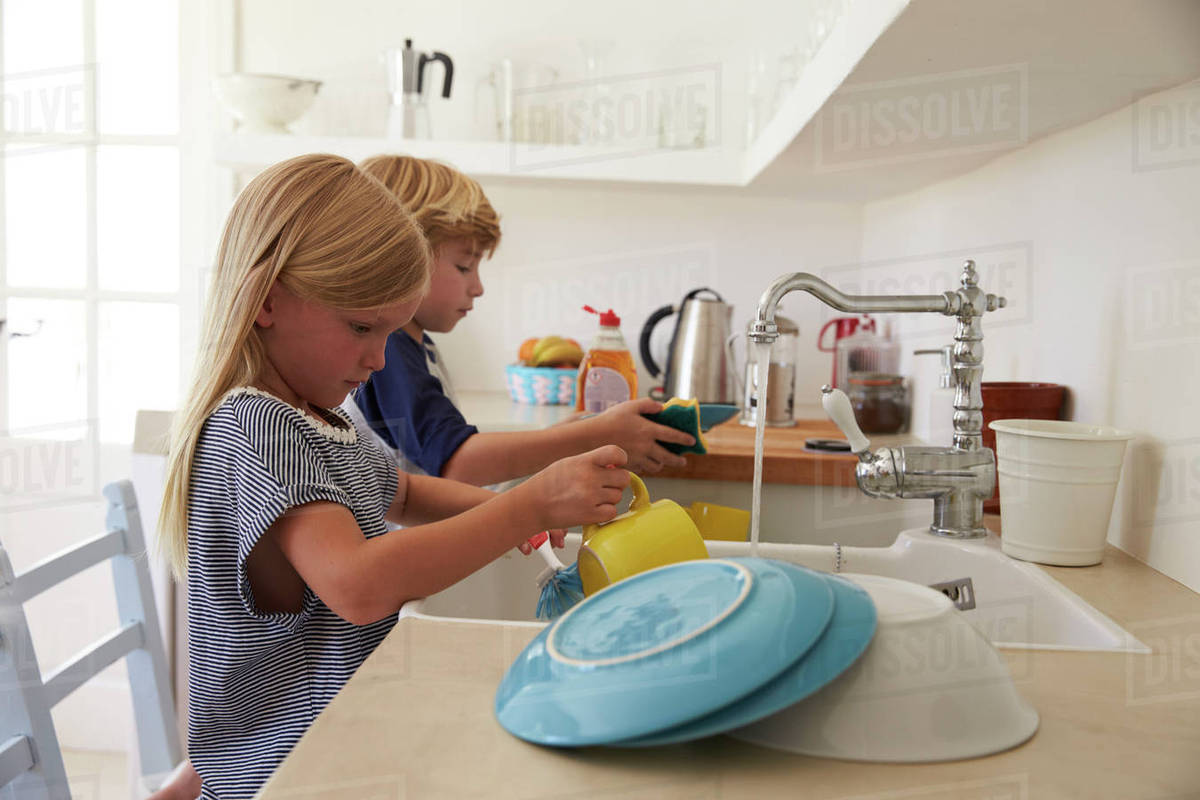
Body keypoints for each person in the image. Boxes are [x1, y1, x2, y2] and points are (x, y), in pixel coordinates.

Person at [155, 154, 628, 799]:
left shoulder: (318, 418)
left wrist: (524, 510)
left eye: (389, 330)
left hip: (339, 746)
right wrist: (524, 509)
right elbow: (357, 585)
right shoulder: (256, 425)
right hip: (292, 774)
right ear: (267, 302)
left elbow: (402, 491)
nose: (379, 358)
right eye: (361, 327)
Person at [343, 155, 695, 488]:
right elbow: (456, 462)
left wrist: (562, 438)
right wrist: (592, 436)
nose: (478, 287)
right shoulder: (390, 352)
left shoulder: (415, 346)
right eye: (464, 266)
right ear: (401, 259)